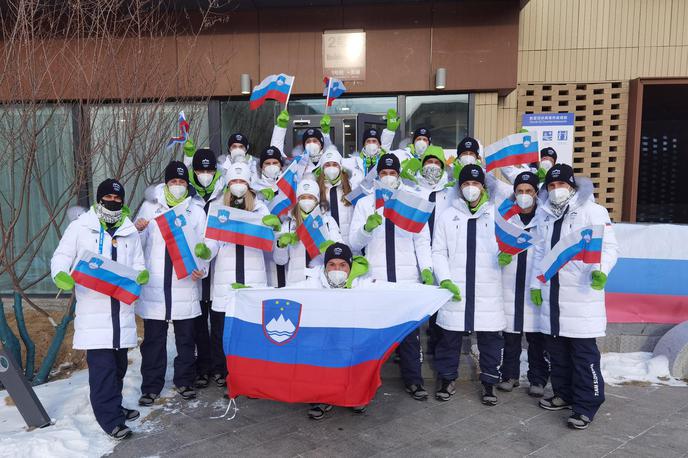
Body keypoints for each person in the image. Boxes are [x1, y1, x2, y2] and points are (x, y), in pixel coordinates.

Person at [51, 179, 147, 440]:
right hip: (95, 313)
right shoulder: (81, 227)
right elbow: (61, 256)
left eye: (117, 199)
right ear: (98, 199)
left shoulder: (129, 230)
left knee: (118, 367)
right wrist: (60, 274)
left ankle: (113, 405)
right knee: (103, 369)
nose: (112, 202)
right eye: (107, 198)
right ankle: (110, 420)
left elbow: (138, 262)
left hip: (122, 312)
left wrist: (141, 275)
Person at [529, 164, 618, 430]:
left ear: (573, 186)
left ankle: (586, 405)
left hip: (580, 297)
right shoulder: (545, 215)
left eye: (562, 185)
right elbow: (539, 254)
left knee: (583, 356)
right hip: (552, 297)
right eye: (552, 186)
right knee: (557, 353)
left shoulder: (593, 211)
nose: (557, 190)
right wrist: (536, 283)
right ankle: (564, 394)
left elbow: (609, 248)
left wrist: (601, 271)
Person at [349, 153, 434, 401]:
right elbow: (353, 243)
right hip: (376, 279)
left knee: (409, 335)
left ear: (398, 175)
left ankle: (414, 380)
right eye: (383, 173)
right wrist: (367, 229)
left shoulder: (412, 201)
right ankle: (365, 383)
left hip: (407, 278)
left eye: (392, 173)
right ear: (377, 176)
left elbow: (422, 240)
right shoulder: (365, 204)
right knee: (373, 336)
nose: (387, 177)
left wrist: (426, 268)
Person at [431, 164, 506, 406]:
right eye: (466, 184)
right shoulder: (447, 216)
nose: (470, 188)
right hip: (457, 287)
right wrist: (444, 278)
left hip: (488, 287)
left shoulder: (497, 214)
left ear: (483, 187)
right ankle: (446, 378)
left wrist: (507, 255)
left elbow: (512, 243)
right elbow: (438, 251)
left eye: (475, 184)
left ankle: (489, 381)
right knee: (449, 337)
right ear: (459, 187)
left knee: (490, 338)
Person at [134, 161, 207, 406]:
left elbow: (204, 246)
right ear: (166, 183)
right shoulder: (149, 207)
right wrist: (137, 230)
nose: (178, 186)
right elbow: (135, 246)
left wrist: (202, 268)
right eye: (173, 182)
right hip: (155, 285)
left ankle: (185, 381)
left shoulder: (196, 210)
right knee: (154, 340)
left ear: (187, 185)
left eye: (182, 182)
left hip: (184, 283)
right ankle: (151, 386)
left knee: (186, 339)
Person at [194, 162, 272, 388]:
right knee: (221, 330)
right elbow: (212, 242)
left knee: (250, 330)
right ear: (228, 185)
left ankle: (251, 371)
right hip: (225, 280)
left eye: (242, 182)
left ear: (249, 184)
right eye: (234, 182)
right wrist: (205, 251)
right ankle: (221, 369)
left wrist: (272, 230)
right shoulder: (219, 209)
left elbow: (269, 246)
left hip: (253, 278)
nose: (238, 186)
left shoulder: (260, 209)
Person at [288, 242, 372, 419]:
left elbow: (389, 292)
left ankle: (354, 394)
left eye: (342, 265)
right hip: (323, 338)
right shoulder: (312, 283)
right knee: (317, 349)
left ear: (350, 266)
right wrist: (251, 292)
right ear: (325, 266)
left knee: (358, 350)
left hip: (350, 338)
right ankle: (322, 396)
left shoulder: (363, 284)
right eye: (332, 265)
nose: (337, 269)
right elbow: (285, 293)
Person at [494, 171, 550, 397]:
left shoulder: (545, 219)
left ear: (536, 193)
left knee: (536, 338)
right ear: (514, 193)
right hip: (509, 284)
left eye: (528, 191)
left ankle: (537, 378)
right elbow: (492, 244)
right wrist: (500, 255)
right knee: (511, 336)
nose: (524, 195)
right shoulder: (504, 217)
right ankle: (509, 375)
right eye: (519, 191)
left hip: (533, 285)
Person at [184, 147, 226, 389]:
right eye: (200, 170)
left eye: (210, 170)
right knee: (198, 322)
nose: (205, 174)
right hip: (195, 269)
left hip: (220, 267)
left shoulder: (223, 194)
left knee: (218, 323)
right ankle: (203, 367)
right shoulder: (187, 198)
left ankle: (220, 367)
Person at [272, 177, 342, 284]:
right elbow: (281, 261)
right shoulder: (289, 223)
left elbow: (340, 253)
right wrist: (280, 245)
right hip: (295, 283)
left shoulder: (327, 221)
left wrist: (331, 248)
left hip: (321, 282)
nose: (306, 201)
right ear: (298, 200)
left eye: (310, 197)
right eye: (303, 197)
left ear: (317, 200)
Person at [316, 146, 358, 245]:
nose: (331, 168)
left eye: (335, 164)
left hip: (350, 246)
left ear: (340, 167)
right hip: (327, 247)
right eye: (327, 165)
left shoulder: (352, 187)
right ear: (322, 169)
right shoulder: (316, 190)